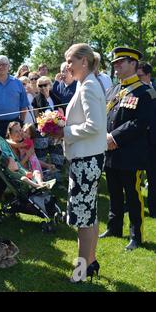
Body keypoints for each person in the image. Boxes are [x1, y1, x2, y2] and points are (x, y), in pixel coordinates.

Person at [55, 43, 107, 282]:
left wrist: (64, 131)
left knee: (83, 219)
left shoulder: (87, 86)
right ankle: (91, 261)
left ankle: (80, 271)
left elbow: (94, 126)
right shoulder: (84, 83)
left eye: (70, 60)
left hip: (87, 159)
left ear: (83, 62)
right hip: (88, 157)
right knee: (90, 213)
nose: (67, 65)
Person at [99, 47, 154, 251]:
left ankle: (136, 235)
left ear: (133, 64)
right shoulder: (112, 90)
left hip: (131, 152)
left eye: (121, 62)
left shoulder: (145, 91)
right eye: (114, 63)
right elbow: (105, 117)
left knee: (133, 195)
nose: (116, 65)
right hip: (110, 151)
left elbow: (142, 122)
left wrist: (114, 136)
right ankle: (114, 228)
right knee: (114, 192)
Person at [32, 76, 65, 172]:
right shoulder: (36, 100)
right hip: (42, 132)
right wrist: (46, 122)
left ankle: (58, 178)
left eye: (45, 85)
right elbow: (37, 117)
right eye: (40, 85)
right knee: (41, 156)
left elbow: (61, 113)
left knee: (57, 155)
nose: (42, 88)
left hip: (57, 130)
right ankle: (44, 179)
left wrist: (57, 121)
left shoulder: (55, 97)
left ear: (50, 85)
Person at [137, 62, 156, 218]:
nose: (138, 79)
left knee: (153, 176)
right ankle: (131, 205)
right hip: (137, 142)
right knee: (133, 178)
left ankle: (153, 207)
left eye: (140, 76)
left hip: (152, 142)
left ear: (148, 75)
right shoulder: (134, 92)